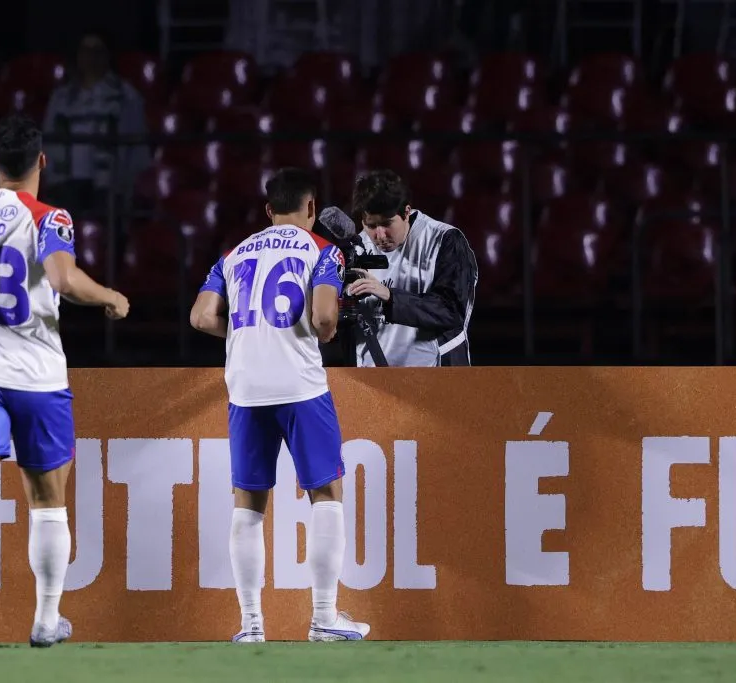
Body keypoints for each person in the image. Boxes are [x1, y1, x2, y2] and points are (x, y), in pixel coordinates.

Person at [0, 113, 130, 647]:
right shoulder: (50, 217)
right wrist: (109, 296)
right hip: (37, 376)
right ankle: (45, 620)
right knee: (47, 498)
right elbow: (62, 278)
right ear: (41, 161)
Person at [190, 167, 369, 643]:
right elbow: (325, 316)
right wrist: (323, 331)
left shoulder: (232, 254)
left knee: (248, 505)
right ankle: (325, 617)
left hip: (245, 388)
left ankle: (251, 626)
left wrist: (248, 334)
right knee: (325, 496)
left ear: (268, 212)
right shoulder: (322, 249)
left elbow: (201, 316)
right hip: (300, 386)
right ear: (311, 208)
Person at [345, 169, 478, 366]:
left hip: (436, 375)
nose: (379, 235)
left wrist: (390, 296)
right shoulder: (357, 247)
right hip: (374, 378)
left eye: (386, 223)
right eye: (371, 225)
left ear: (406, 212)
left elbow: (451, 312)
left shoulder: (445, 240)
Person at [42, 32, 150, 211]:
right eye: (85, 50)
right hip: (65, 187)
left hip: (109, 189)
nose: (90, 57)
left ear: (107, 55)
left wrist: (125, 184)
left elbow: (136, 149)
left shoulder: (126, 96)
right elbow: (48, 143)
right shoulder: (60, 98)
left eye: (97, 50)